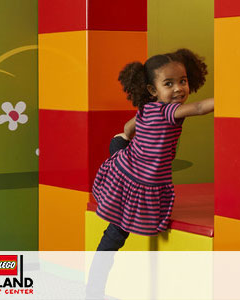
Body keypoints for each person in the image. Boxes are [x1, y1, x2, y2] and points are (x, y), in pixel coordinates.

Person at [92, 48, 215, 250]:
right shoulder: (170, 111)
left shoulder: (147, 107)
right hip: (141, 177)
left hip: (125, 164)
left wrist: (131, 138)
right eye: (169, 84)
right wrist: (227, 98)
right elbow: (200, 108)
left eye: (182, 81)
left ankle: (120, 154)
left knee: (118, 142)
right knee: (118, 229)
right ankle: (96, 278)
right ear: (152, 89)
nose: (178, 88)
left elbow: (127, 128)